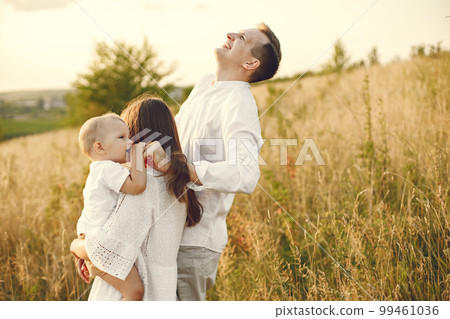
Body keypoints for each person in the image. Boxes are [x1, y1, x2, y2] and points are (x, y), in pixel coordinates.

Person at [152, 22, 282, 300]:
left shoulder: (239, 103)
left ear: (250, 62)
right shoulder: (203, 85)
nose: (230, 35)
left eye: (242, 38)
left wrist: (184, 168)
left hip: (193, 244)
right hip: (163, 232)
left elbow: (245, 174)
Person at [73, 95, 202, 300]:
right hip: (163, 290)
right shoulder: (179, 182)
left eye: (129, 134)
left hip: (133, 291)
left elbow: (107, 247)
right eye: (122, 137)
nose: (129, 142)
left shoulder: (145, 185)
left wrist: (77, 247)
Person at [70, 113, 147, 300]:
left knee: (130, 292)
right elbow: (137, 186)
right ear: (100, 147)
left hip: (94, 239)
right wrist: (138, 156)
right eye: (122, 138)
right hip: (103, 244)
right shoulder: (106, 168)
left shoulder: (99, 169)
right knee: (134, 291)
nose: (130, 143)